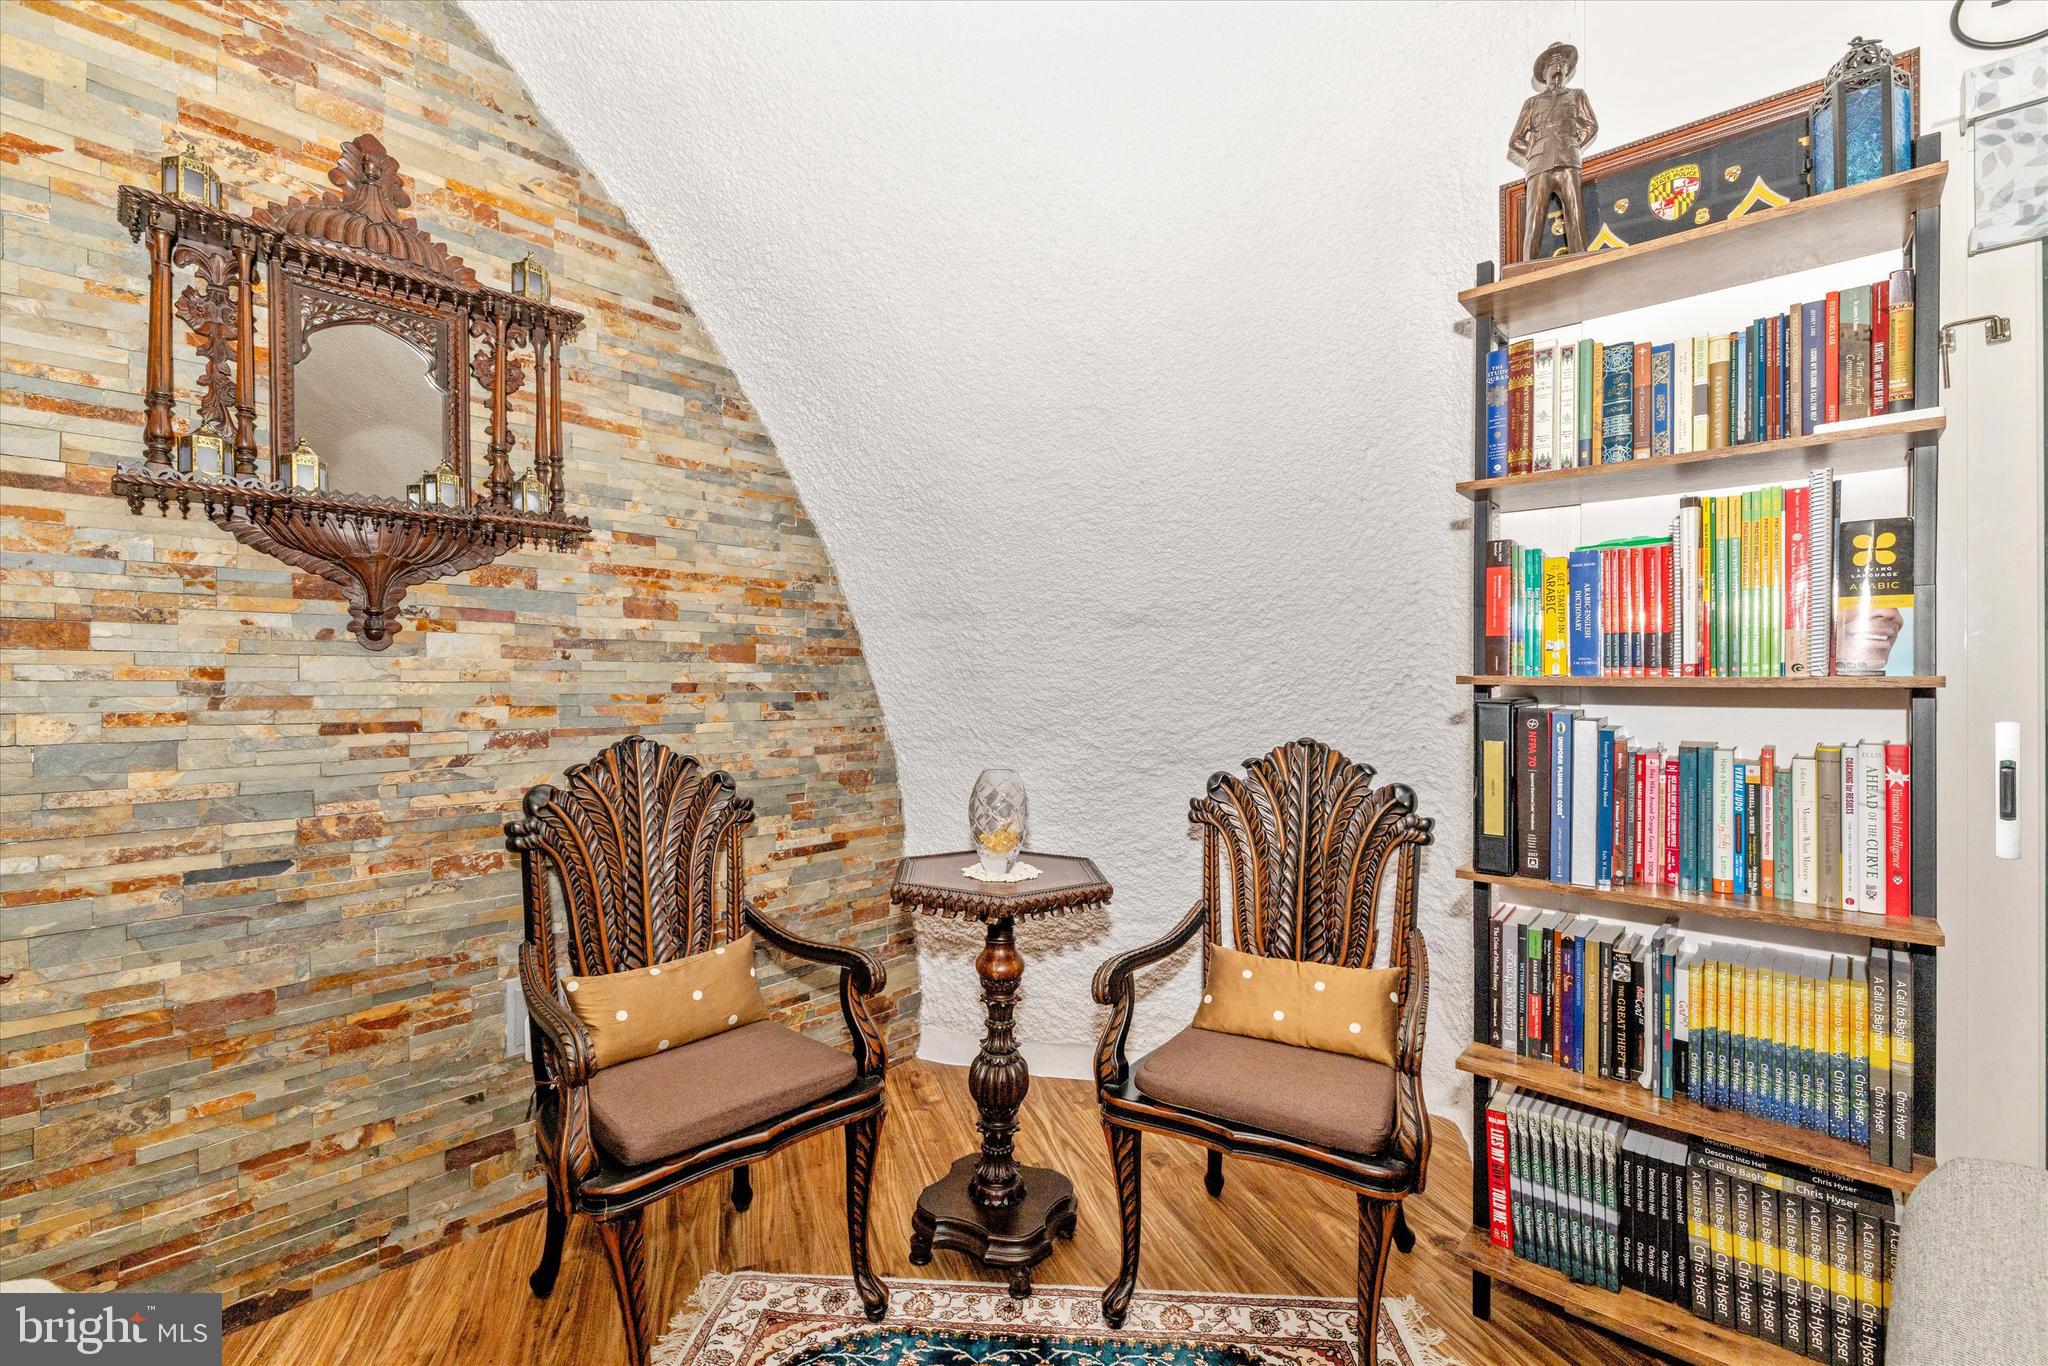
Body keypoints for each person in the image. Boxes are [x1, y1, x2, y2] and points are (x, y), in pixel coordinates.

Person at [1509, 42, 1599, 261]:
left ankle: (1579, 259)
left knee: (1575, 214)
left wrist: (1574, 143)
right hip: (1538, 164)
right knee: (1534, 218)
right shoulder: (1532, 103)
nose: (1558, 67)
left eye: (1562, 63)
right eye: (1553, 64)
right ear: (1545, 73)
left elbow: (1591, 125)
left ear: (1567, 70)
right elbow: (1515, 140)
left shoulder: (1577, 95)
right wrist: (1534, 150)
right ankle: (1528, 265)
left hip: (1568, 159)